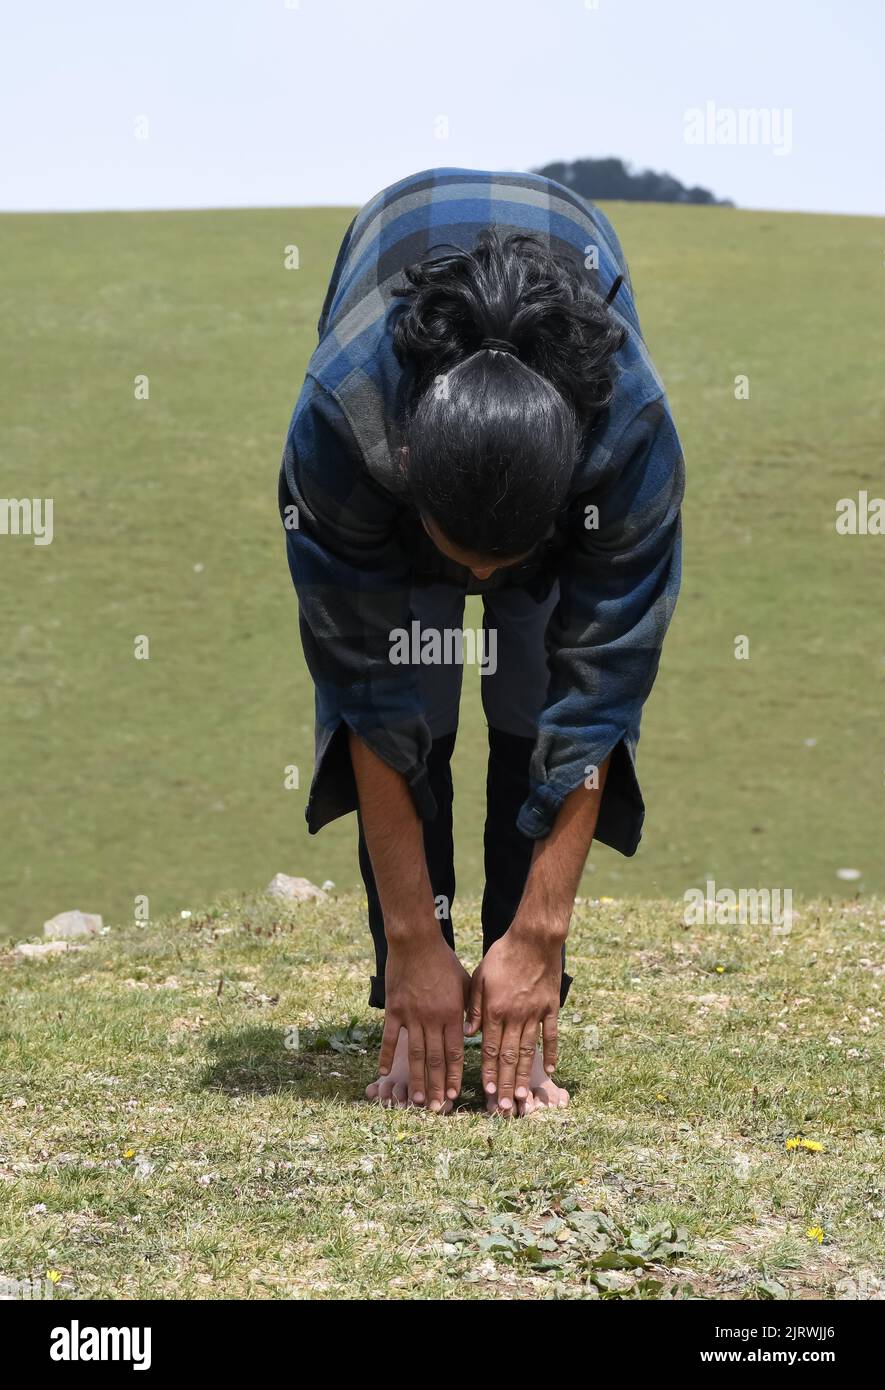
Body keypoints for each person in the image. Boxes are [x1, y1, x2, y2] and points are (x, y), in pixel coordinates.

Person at [279, 167, 684, 1116]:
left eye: (507, 563)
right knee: (409, 689)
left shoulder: (627, 439)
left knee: (532, 679)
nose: (481, 589)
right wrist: (413, 937)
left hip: (570, 320)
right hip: (392, 247)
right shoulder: (347, 423)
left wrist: (540, 933)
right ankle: (420, 1005)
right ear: (407, 473)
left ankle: (516, 1005)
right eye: (463, 562)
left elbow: (597, 693)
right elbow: (364, 688)